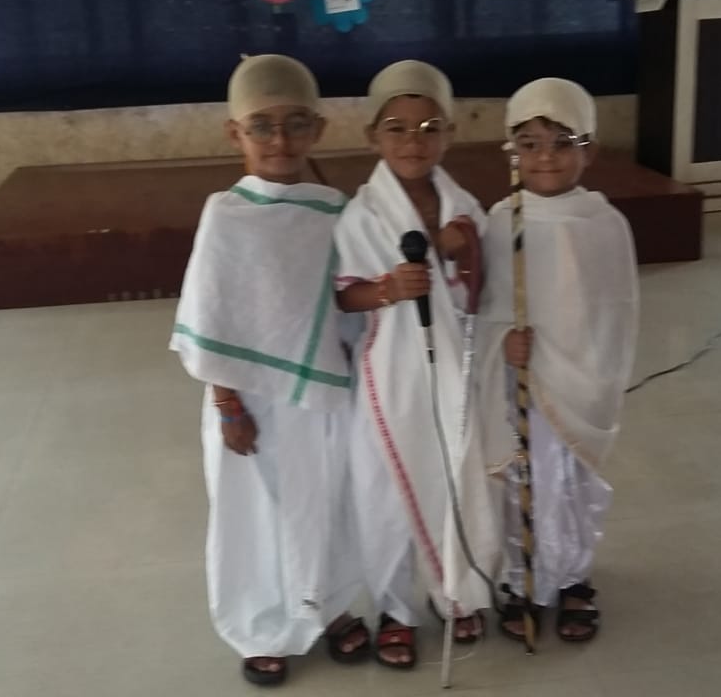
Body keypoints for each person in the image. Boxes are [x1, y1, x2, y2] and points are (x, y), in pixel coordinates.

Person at [170, 54, 368, 686]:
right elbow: (212, 317)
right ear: (235, 134)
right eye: (262, 126)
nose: (280, 140)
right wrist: (228, 404)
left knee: (325, 500)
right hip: (248, 404)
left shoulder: (334, 210)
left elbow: (342, 298)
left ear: (319, 129)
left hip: (318, 396)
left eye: (295, 123)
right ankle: (260, 626)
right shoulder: (226, 215)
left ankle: (330, 606)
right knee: (254, 513)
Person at [333, 60, 500, 670]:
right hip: (392, 375)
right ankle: (396, 610)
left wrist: (465, 246)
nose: (414, 141)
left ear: (449, 134)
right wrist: (387, 289)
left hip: (456, 368)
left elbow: (486, 286)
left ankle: (457, 591)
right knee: (386, 493)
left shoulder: (464, 206)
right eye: (397, 129)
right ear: (373, 137)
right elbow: (344, 296)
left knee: (457, 475)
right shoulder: (362, 216)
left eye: (430, 128)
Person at [475, 77, 639, 645]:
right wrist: (502, 342)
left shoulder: (604, 223)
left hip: (578, 383)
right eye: (530, 143)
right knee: (525, 479)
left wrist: (589, 365)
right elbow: (484, 307)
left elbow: (617, 309)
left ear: (588, 149)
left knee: (569, 480)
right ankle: (521, 579)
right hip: (520, 383)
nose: (546, 157)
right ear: (512, 151)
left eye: (562, 143)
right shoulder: (502, 222)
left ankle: (572, 577)